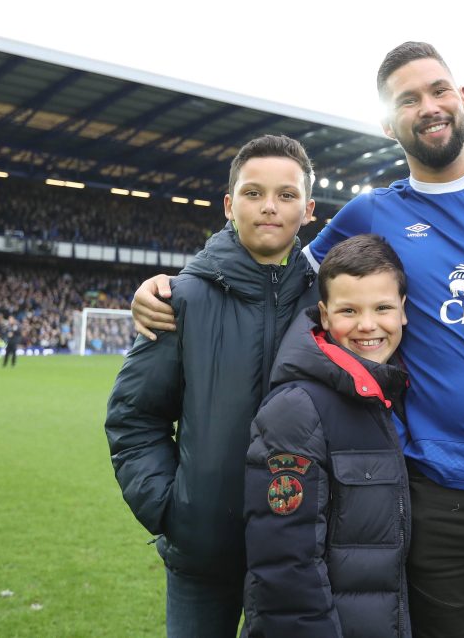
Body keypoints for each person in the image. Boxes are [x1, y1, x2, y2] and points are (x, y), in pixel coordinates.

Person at [132, 42, 464, 637]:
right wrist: (177, 285)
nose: (428, 107)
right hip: (439, 498)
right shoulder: (370, 213)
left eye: (438, 90)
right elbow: (276, 270)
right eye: (409, 99)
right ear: (388, 123)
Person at [105, 134, 318, 638]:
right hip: (202, 557)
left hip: (303, 555)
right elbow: (134, 417)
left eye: (287, 195)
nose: (269, 207)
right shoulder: (180, 299)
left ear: (308, 210)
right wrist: (173, 510)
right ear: (229, 203)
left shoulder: (329, 300)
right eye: (253, 193)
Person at [242, 234, 411, 637]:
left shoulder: (391, 393)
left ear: (403, 311)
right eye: (349, 310)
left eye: (383, 308)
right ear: (324, 313)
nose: (368, 325)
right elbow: (285, 567)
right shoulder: (296, 410)